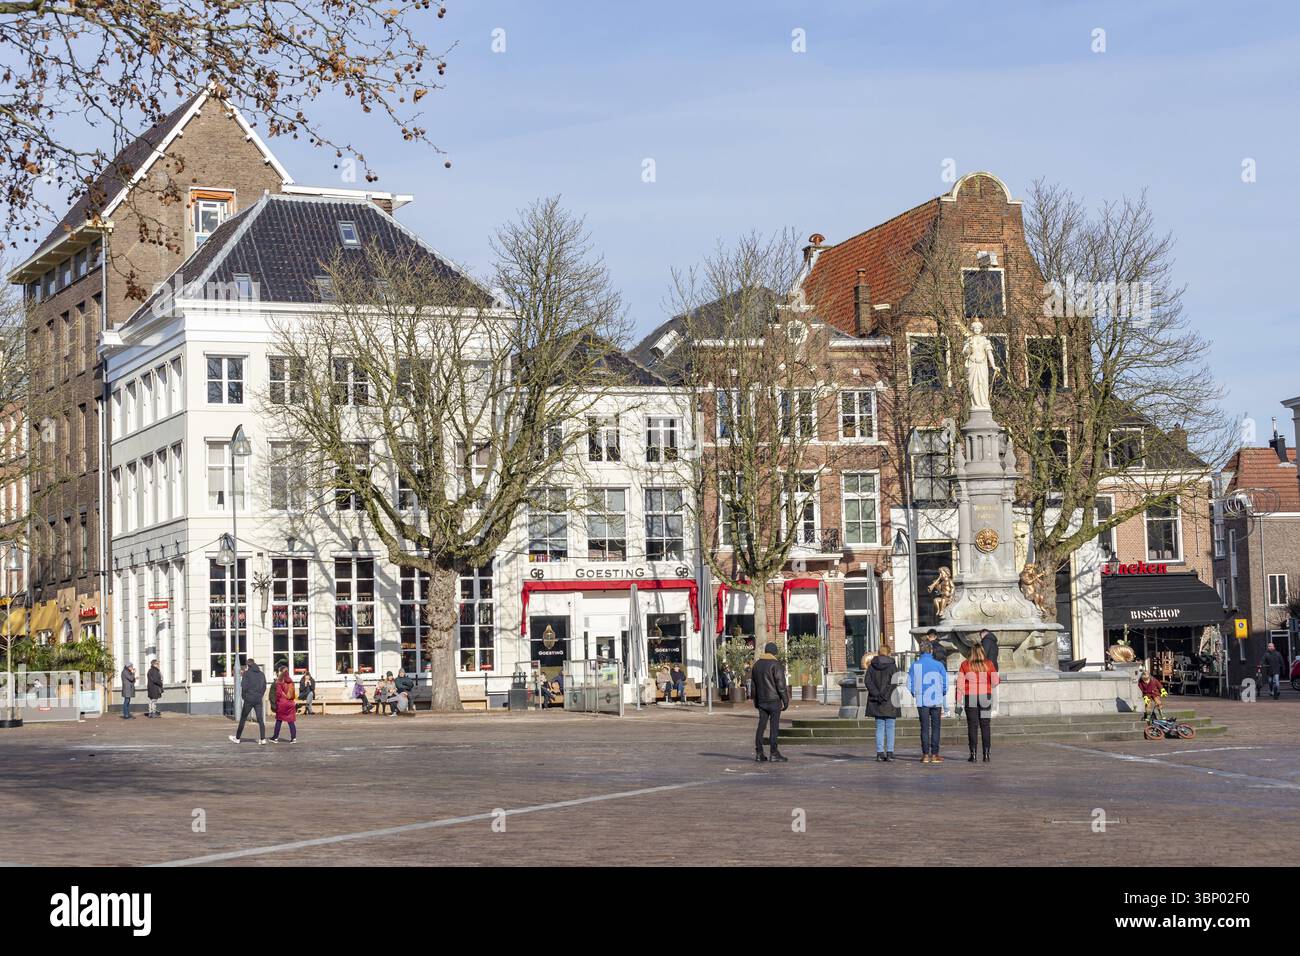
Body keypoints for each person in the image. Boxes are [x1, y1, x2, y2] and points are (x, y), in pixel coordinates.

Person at [907, 633, 948, 764]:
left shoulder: (915, 665)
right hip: (936, 700)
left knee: (924, 728)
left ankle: (925, 754)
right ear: (931, 650)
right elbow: (945, 682)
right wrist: (942, 693)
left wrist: (915, 693)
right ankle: (935, 754)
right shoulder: (938, 665)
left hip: (922, 700)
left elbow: (909, 683)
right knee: (936, 727)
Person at [958, 643, 1000, 762]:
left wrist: (958, 701)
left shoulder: (965, 664)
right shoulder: (989, 664)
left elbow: (960, 684)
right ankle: (986, 754)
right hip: (985, 696)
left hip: (970, 696)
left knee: (972, 726)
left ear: (971, 652)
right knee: (985, 726)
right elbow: (995, 682)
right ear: (982, 651)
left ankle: (973, 754)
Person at [751, 642, 790, 762]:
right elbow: (781, 685)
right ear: (774, 652)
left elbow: (753, 686)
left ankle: (759, 752)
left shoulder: (756, 665)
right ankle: (774, 753)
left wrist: (756, 701)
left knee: (761, 726)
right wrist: (785, 700)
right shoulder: (776, 664)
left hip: (762, 700)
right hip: (774, 701)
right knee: (774, 727)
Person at [864, 643, 900, 762]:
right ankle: (889, 753)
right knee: (890, 727)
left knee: (879, 727)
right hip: (890, 700)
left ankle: (880, 753)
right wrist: (884, 695)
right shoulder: (892, 665)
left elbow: (867, 681)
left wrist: (876, 694)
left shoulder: (871, 666)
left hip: (876, 701)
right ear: (889, 653)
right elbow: (894, 683)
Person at [228, 659, 268, 745]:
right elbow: (264, 686)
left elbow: (244, 686)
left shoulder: (247, 674)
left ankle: (237, 738)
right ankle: (263, 738)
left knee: (243, 718)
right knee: (260, 719)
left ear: (248, 665)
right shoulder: (261, 674)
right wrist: (260, 695)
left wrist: (244, 696)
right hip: (258, 699)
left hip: (249, 699)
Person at [270, 668, 298, 743]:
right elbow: (293, 692)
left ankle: (275, 737)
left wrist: (277, 701)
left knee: (279, 720)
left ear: (281, 672)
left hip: (282, 703)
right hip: (290, 703)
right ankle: (293, 738)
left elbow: (278, 693)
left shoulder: (280, 681)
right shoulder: (291, 681)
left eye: (279, 671)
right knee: (291, 721)